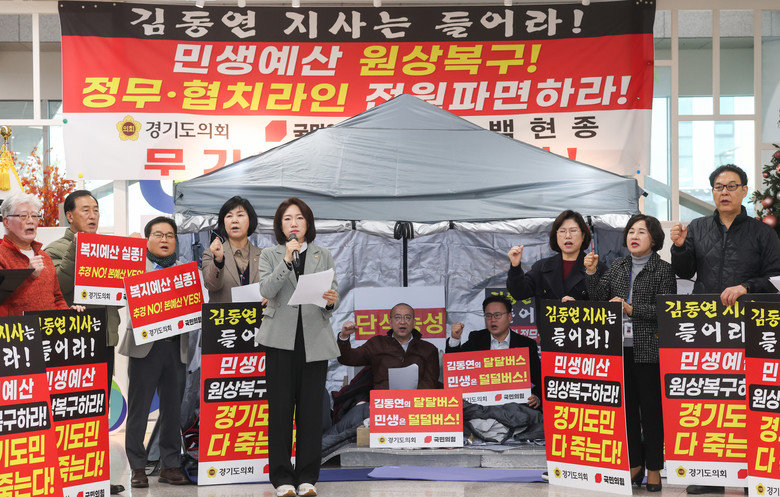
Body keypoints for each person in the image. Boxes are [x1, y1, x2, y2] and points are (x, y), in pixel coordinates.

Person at [670, 164, 780, 495]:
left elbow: (776, 277)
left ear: (745, 190)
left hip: (750, 326)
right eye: (719, 187)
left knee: (746, 399)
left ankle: (750, 475)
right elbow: (684, 273)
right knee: (709, 398)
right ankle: (711, 473)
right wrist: (679, 247)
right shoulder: (698, 227)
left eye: (732, 186)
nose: (725, 192)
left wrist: (747, 287)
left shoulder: (762, 232)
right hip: (707, 327)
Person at [585, 214, 677, 493]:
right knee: (626, 414)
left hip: (649, 351)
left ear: (654, 239)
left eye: (642, 232)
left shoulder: (663, 270)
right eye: (631, 231)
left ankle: (654, 469)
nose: (634, 236)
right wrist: (592, 273)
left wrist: (631, 309)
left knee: (651, 413)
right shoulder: (618, 265)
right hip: (619, 350)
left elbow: (665, 311)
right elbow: (597, 298)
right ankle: (634, 464)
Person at [255, 197, 339, 497]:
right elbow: (266, 289)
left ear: (308, 223)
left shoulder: (322, 254)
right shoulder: (271, 254)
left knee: (310, 412)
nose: (294, 223)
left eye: (299, 218)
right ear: (280, 226)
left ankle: (307, 477)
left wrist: (331, 301)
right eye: (288, 219)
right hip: (280, 340)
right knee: (280, 411)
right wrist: (287, 260)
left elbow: (332, 296)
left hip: (314, 340)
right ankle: (282, 478)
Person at [44, 190, 125, 494]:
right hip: (73, 343)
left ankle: (96, 477)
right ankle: (65, 477)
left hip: (104, 338)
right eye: (85, 210)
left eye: (96, 210)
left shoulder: (108, 249)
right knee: (70, 411)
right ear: (70, 216)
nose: (93, 215)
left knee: (98, 410)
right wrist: (78, 248)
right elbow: (58, 285)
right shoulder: (55, 249)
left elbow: (119, 296)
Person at [118, 217, 190, 488]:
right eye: (158, 234)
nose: (164, 240)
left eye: (169, 235)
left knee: (172, 410)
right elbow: (118, 292)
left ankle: (170, 465)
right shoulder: (135, 267)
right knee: (139, 409)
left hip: (176, 347)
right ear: (147, 239)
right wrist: (130, 252)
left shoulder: (185, 271)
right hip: (145, 347)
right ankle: (138, 467)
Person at [446, 295, 542, 409]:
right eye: (488, 315)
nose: (492, 320)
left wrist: (537, 397)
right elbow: (455, 367)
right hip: (482, 406)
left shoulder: (526, 344)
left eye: (498, 315)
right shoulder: (476, 339)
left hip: (514, 407)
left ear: (509, 317)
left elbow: (539, 379)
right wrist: (455, 338)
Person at [506, 210, 606, 317]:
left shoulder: (597, 267)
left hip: (584, 327)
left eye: (573, 230)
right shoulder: (542, 267)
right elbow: (519, 293)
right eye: (562, 231)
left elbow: (606, 307)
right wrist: (515, 267)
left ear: (583, 235)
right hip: (550, 328)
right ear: (556, 235)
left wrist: (578, 307)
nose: (568, 236)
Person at [0, 192, 83, 315]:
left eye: (34, 216)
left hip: (48, 327)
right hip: (19, 327)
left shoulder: (44, 256)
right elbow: (3, 301)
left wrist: (68, 314)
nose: (31, 221)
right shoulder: (2, 256)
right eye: (23, 216)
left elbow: (57, 298)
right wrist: (28, 276)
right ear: (6, 222)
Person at [338, 302, 440, 390]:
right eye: (397, 317)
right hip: (384, 401)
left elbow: (430, 382)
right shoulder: (377, 343)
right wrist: (344, 337)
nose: (402, 322)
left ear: (414, 323)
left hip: (417, 402)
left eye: (408, 318)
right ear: (390, 322)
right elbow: (347, 359)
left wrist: (410, 399)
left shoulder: (428, 349)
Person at [202, 196, 262, 302]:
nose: (234, 220)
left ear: (250, 220)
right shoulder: (210, 254)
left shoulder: (264, 255)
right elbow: (212, 285)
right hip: (225, 313)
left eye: (240, 215)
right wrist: (218, 261)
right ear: (223, 223)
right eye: (229, 216)